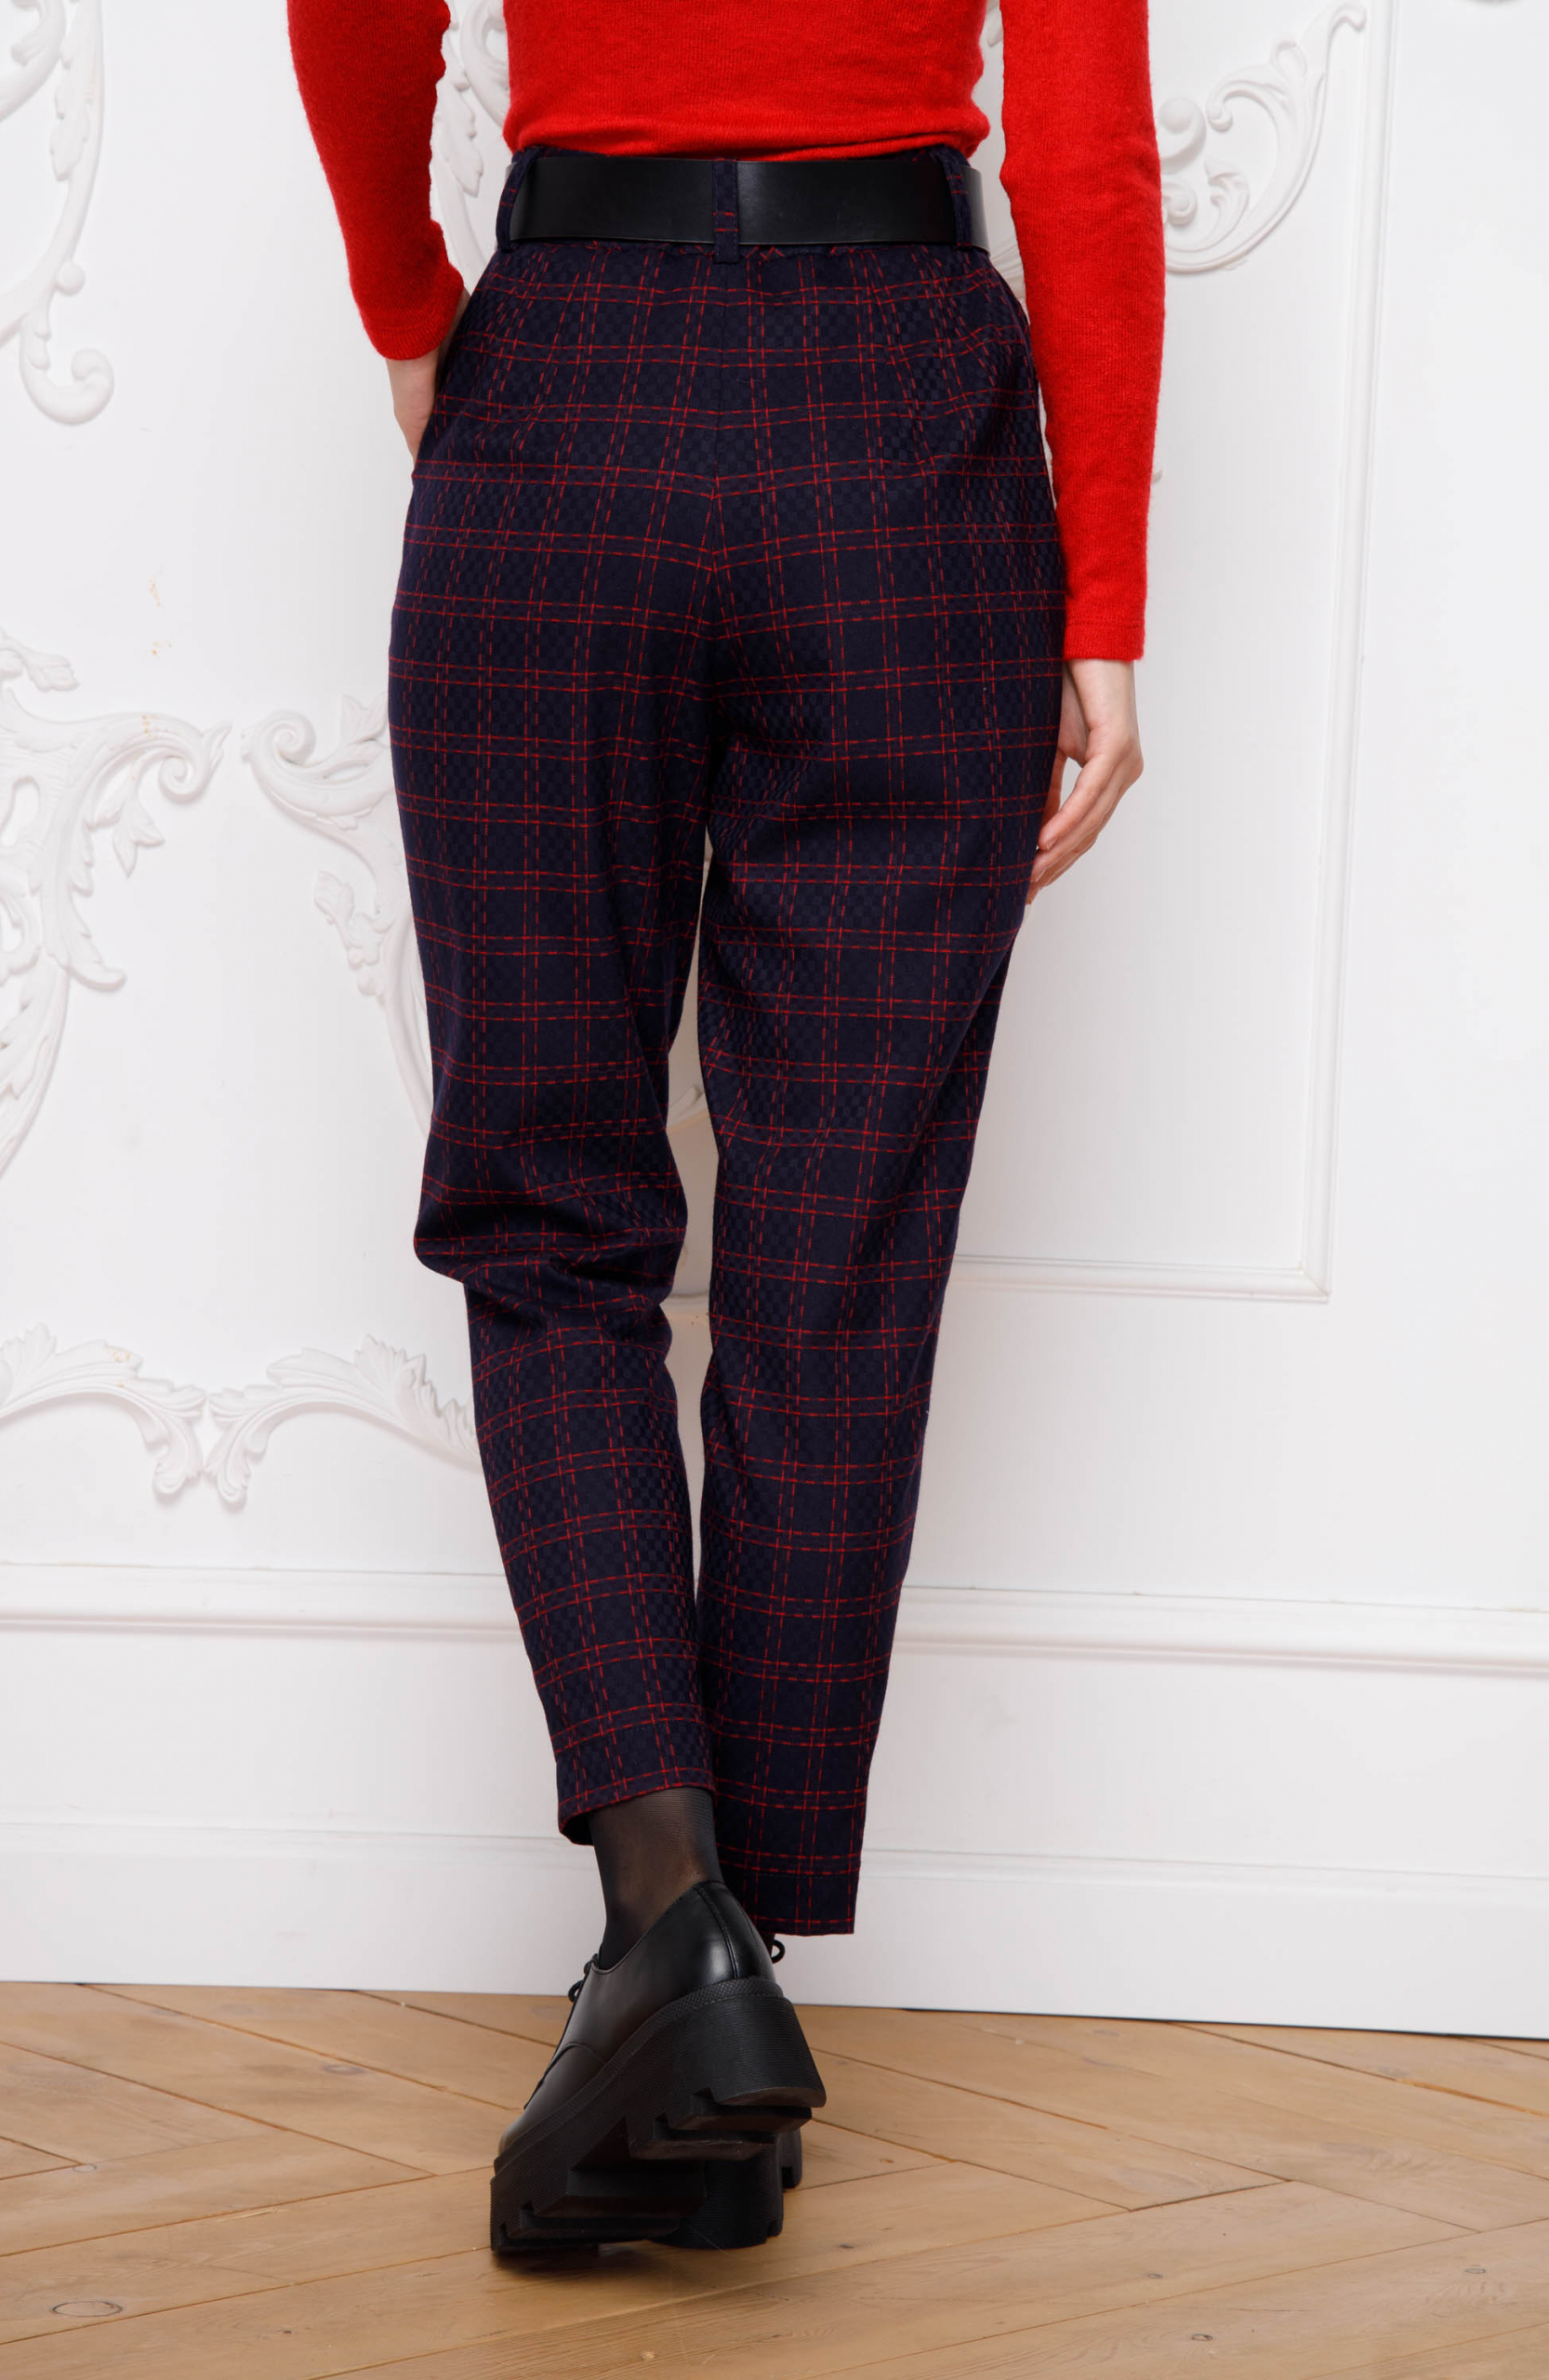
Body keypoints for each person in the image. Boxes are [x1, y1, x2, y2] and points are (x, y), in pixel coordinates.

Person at [288, 0, 1162, 2253]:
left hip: (567, 389)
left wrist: (411, 304)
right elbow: (1081, 138)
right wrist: (1103, 591)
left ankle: (670, 1937)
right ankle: (714, 1994)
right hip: (912, 432)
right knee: (835, 1243)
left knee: (548, 1206)